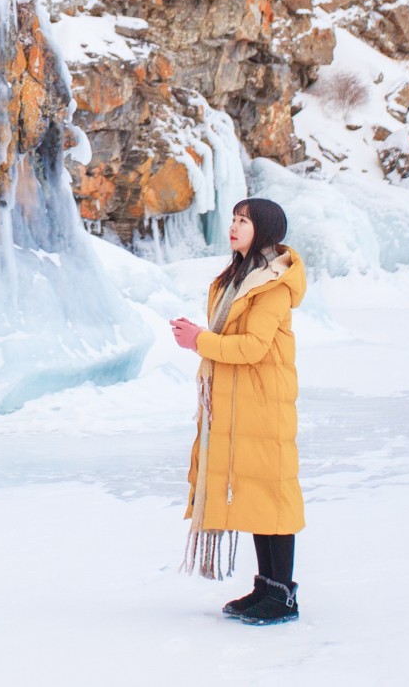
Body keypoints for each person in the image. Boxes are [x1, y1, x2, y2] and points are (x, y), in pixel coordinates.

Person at [170, 197, 307, 625]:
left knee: (273, 495)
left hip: (263, 403)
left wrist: (198, 341)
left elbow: (252, 347)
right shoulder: (240, 277)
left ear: (263, 229)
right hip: (238, 403)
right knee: (253, 494)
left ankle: (283, 596)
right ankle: (267, 587)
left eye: (243, 221)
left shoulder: (273, 285)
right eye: (232, 219)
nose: (233, 226)